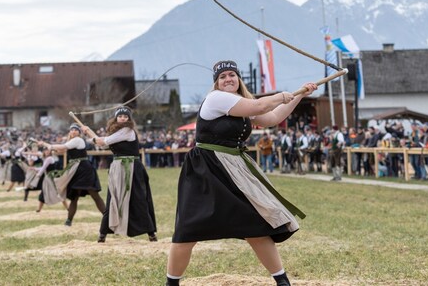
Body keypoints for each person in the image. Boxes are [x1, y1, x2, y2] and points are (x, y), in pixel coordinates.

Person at [165, 60, 317, 286]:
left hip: (234, 168)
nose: (228, 79)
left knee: (256, 225)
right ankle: (172, 283)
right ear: (217, 82)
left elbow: (271, 118)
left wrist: (298, 96)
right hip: (205, 170)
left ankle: (282, 281)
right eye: (223, 76)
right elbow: (260, 108)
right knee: (189, 231)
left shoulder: (242, 103)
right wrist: (280, 96)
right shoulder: (216, 99)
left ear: (238, 79)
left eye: (232, 75)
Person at [83, 106, 157, 243]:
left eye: (125, 116)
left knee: (139, 199)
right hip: (118, 168)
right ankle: (102, 233)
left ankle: (151, 233)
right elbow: (104, 144)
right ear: (116, 118)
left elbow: (102, 141)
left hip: (132, 169)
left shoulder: (127, 130)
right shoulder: (116, 132)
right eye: (120, 116)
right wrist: (90, 134)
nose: (123, 118)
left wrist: (89, 132)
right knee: (113, 199)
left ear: (129, 119)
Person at [39, 123, 106, 226]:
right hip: (76, 171)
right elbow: (61, 149)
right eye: (72, 130)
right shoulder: (71, 141)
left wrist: (47, 145)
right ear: (69, 132)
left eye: (76, 130)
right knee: (74, 197)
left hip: (84, 170)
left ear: (79, 132)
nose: (74, 131)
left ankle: (107, 218)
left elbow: (63, 146)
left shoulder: (78, 140)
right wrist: (46, 145)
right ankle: (68, 221)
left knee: (94, 195)